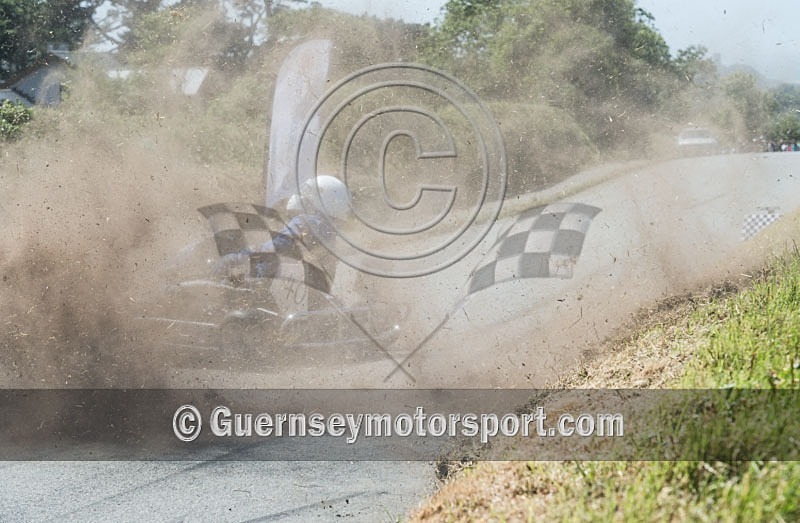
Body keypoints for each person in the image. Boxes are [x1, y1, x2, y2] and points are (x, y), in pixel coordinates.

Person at [214, 175, 351, 280]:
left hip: (270, 287)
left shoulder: (307, 222)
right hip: (307, 293)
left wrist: (242, 256)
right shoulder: (329, 233)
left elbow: (281, 244)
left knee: (227, 263)